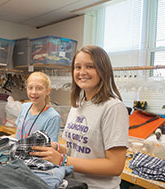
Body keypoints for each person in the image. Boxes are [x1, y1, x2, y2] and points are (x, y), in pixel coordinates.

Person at [30, 45, 129, 188]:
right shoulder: (78, 105)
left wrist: (62, 160)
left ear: (103, 69)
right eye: (78, 67)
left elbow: (115, 166)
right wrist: (56, 148)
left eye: (90, 66)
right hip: (73, 184)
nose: (82, 72)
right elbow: (77, 150)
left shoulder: (113, 107)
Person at [14, 71, 61, 142]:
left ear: (48, 91)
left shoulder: (53, 117)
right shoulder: (24, 107)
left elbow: (50, 146)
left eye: (39, 88)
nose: (34, 92)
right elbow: (18, 136)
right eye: (30, 88)